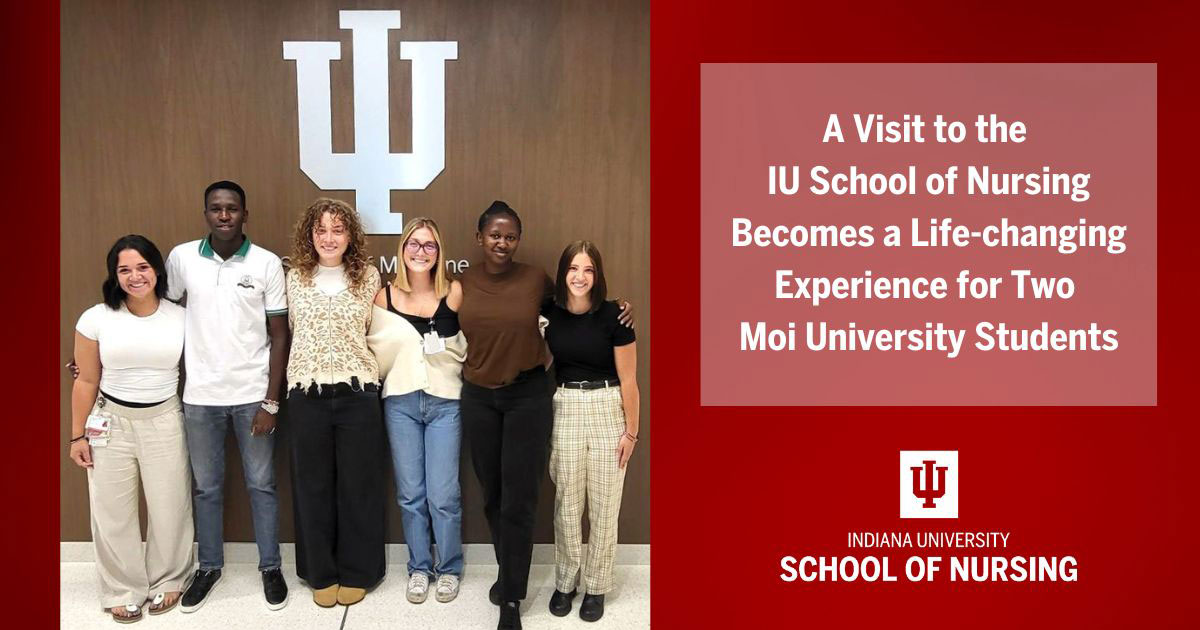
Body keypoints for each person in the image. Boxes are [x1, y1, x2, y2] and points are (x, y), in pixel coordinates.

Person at [457, 201, 633, 630]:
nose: (502, 241)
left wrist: (620, 306)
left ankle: (513, 599)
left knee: (521, 499)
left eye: (510, 235)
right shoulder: (462, 282)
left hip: (529, 399)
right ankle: (509, 572)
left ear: (519, 239)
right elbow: (437, 317)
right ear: (479, 237)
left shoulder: (536, 280)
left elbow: (583, 308)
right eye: (495, 234)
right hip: (480, 398)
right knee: (494, 496)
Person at [166, 180, 290, 612]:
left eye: (232, 208)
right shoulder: (182, 259)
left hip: (252, 395)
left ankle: (270, 567)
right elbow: (159, 316)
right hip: (199, 396)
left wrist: (271, 402)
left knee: (262, 484)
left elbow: (279, 336)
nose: (224, 215)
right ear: (206, 214)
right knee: (207, 488)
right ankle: (210, 567)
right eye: (216, 208)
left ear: (244, 214)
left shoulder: (267, 263)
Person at [69, 235, 192, 623]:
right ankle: (122, 588)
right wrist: (77, 435)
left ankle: (169, 578)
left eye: (142, 267)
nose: (135, 276)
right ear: (114, 275)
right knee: (112, 512)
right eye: (124, 270)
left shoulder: (180, 316)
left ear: (156, 269)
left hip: (164, 419)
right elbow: (85, 380)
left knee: (170, 505)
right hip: (110, 422)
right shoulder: (96, 318)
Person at [285, 198, 384, 607]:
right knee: (312, 486)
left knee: (358, 487)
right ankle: (320, 571)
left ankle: (359, 570)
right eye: (321, 229)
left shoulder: (369, 278)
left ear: (351, 236)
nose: (329, 237)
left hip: (357, 395)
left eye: (338, 230)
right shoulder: (293, 277)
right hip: (306, 396)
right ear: (310, 234)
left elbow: (383, 332)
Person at [367, 217, 466, 604]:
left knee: (443, 494)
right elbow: (375, 348)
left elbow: (479, 334)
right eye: (414, 243)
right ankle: (419, 568)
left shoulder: (454, 292)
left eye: (429, 245)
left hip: (446, 402)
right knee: (411, 493)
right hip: (401, 401)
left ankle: (450, 569)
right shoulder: (384, 298)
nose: (420, 251)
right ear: (402, 250)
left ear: (439, 253)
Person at [543, 241, 639, 623]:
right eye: (573, 269)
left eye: (588, 270)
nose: (580, 277)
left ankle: (596, 586)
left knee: (604, 505)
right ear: (562, 273)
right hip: (564, 404)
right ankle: (566, 581)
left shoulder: (616, 315)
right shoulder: (548, 312)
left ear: (597, 276)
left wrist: (632, 433)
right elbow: (542, 359)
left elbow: (630, 380)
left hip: (607, 406)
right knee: (566, 501)